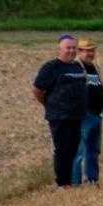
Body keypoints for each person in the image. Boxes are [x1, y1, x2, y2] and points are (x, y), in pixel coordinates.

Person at [32, 35, 89, 189]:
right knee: (62, 150)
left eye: (73, 48)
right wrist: (49, 105)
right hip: (59, 117)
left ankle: (70, 181)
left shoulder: (77, 67)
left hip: (76, 116)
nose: (71, 51)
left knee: (73, 149)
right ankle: (62, 184)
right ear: (60, 49)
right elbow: (37, 89)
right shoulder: (51, 67)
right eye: (68, 48)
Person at [71, 37, 103, 186]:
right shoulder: (76, 68)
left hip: (96, 113)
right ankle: (77, 181)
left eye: (92, 50)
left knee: (94, 149)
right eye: (86, 51)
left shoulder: (94, 67)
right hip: (83, 114)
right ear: (79, 52)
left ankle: (92, 179)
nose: (90, 54)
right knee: (81, 149)